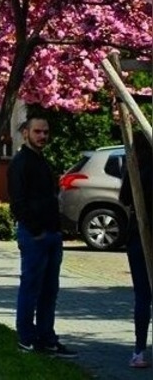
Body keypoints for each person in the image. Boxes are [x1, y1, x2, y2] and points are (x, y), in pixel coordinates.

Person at [8, 114, 77, 357]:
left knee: (50, 289)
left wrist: (57, 229)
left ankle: (47, 337)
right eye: (38, 132)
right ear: (26, 132)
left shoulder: (43, 161)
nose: (43, 136)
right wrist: (35, 230)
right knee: (31, 287)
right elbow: (18, 202)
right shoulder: (20, 163)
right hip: (34, 235)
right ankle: (26, 337)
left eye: (46, 132)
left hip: (52, 234)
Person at [120, 131, 153, 370]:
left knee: (142, 296)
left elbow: (124, 198)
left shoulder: (134, 167)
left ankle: (139, 350)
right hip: (141, 234)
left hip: (138, 237)